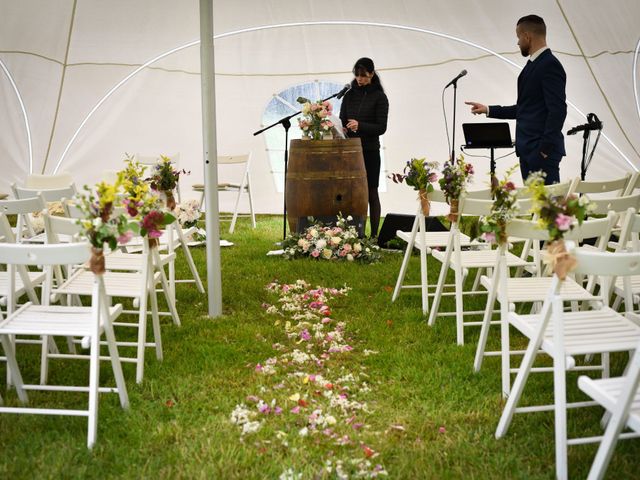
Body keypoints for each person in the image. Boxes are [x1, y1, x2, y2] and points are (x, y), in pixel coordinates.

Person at [466, 15, 567, 185]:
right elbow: (524, 109)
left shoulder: (550, 65)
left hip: (541, 152)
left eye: (518, 37)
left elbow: (558, 110)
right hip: (528, 151)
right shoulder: (533, 66)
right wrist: (489, 109)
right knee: (535, 208)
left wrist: (544, 149)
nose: (518, 42)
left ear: (527, 36)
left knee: (547, 209)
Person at [339, 57, 389, 237]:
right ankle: (354, 233)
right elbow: (342, 118)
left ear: (372, 74)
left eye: (364, 76)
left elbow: (381, 127)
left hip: (369, 151)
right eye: (357, 76)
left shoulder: (380, 97)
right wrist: (343, 128)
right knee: (351, 193)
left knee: (371, 192)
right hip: (350, 150)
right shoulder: (349, 94)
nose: (360, 79)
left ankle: (374, 235)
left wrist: (360, 126)